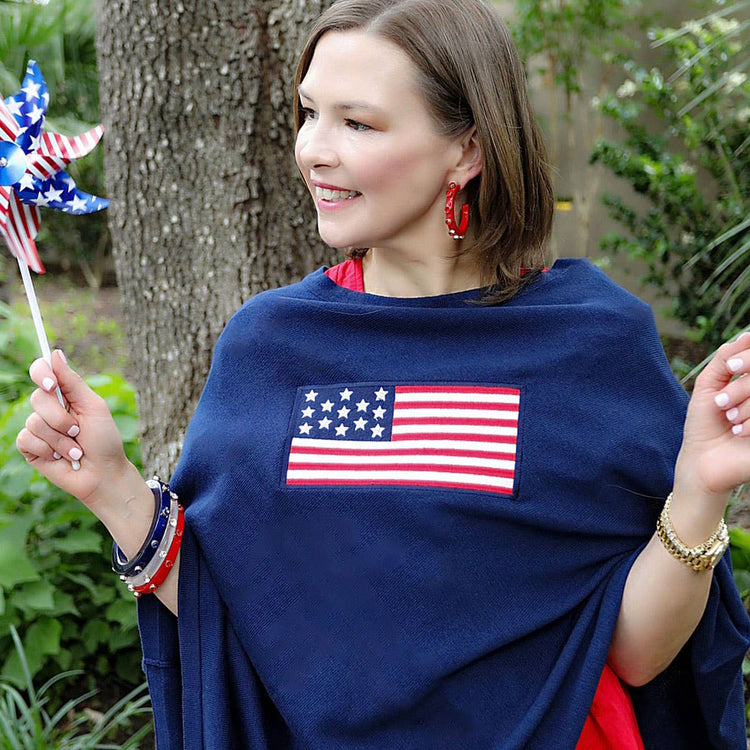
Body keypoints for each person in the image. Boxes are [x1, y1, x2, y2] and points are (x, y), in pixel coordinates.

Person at [15, 0, 750, 747]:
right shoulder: (271, 346)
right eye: (308, 114)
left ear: (466, 149)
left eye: (357, 123)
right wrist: (110, 485)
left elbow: (634, 651)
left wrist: (699, 488)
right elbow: (235, 613)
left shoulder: (592, 341)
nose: (312, 151)